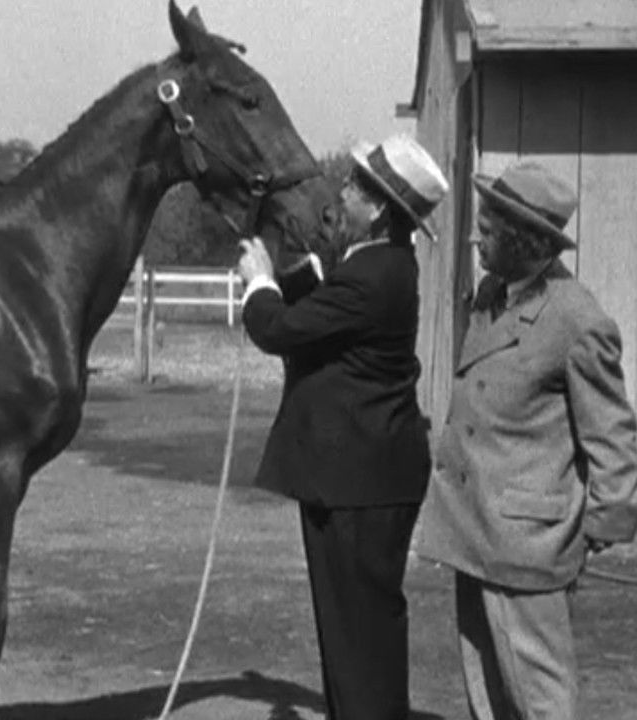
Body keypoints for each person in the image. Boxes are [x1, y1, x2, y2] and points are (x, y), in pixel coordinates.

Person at [235, 134, 449, 719]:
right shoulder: (378, 265)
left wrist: (258, 279)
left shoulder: (371, 276)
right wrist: (295, 274)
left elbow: (278, 330)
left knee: (358, 637)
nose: (343, 193)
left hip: (359, 483)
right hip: (365, 478)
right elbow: (329, 317)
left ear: (379, 208)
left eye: (355, 186)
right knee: (356, 632)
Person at [416, 161, 637, 720]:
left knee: (541, 702)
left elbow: (611, 435)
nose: (475, 236)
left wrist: (599, 528)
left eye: (488, 229)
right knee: (487, 695)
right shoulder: (493, 293)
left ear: (524, 239)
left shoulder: (576, 319)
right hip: (475, 531)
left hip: (526, 546)